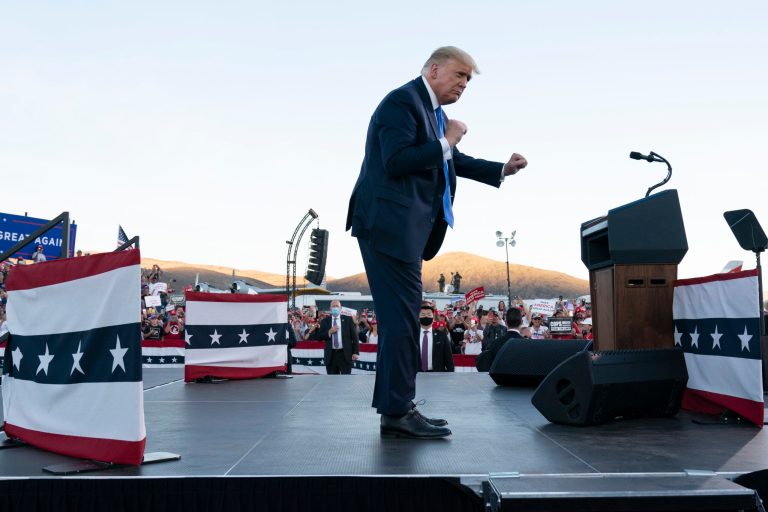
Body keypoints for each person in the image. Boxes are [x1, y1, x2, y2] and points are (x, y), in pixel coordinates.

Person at [346, 45, 528, 439]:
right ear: (433, 69)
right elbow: (396, 160)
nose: (464, 84)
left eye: (468, 80)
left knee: (402, 320)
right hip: (387, 227)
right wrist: (446, 140)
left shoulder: (433, 114)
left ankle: (397, 407)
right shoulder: (401, 102)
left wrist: (500, 169)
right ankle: (397, 410)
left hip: (403, 231)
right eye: (459, 75)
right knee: (401, 322)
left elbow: (452, 162)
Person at [310, 299, 360, 375]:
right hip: (331, 356)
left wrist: (355, 352)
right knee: (331, 382)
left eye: (337, 306)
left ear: (340, 308)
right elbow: (319, 337)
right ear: (330, 308)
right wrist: (329, 332)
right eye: (333, 306)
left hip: (345, 355)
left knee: (346, 380)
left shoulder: (348, 320)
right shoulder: (325, 321)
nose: (335, 308)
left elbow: (355, 337)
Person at [476, 307, 524, 372]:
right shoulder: (526, 344)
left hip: (499, 379)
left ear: (506, 322)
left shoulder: (495, 343)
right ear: (521, 322)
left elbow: (483, 364)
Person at [417, 304, 454, 372]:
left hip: (437, 374)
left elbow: (448, 358)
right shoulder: (412, 336)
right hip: (415, 374)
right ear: (418, 316)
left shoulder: (442, 336)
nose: (426, 316)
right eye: (423, 314)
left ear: (433, 317)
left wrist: (450, 375)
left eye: (429, 314)